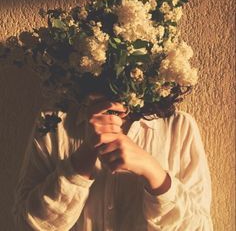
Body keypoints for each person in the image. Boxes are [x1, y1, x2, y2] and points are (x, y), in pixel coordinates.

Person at [12, 93, 213, 231]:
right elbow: (25, 224)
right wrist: (84, 156)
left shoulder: (178, 126)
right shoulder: (54, 123)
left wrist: (153, 172)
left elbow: (200, 226)